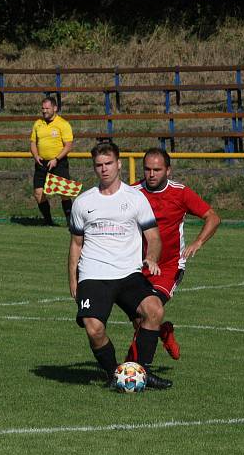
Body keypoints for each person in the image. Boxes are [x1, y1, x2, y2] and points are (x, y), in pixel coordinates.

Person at [68, 140, 172, 390]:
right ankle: (115, 375)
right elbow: (75, 245)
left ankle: (142, 373)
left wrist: (152, 258)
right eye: (99, 165)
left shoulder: (135, 199)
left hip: (128, 274)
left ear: (119, 164)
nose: (104, 169)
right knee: (94, 329)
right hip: (94, 274)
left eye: (109, 163)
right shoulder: (83, 202)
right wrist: (73, 280)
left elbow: (154, 237)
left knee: (154, 310)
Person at [126, 148, 221, 362]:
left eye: (157, 170)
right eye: (147, 169)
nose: (151, 174)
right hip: (135, 267)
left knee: (151, 311)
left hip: (168, 267)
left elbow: (213, 217)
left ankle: (133, 367)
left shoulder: (180, 193)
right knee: (141, 318)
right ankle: (164, 331)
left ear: (168, 170)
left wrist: (198, 242)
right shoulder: (131, 193)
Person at [30, 97, 74, 225]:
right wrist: (36, 155)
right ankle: (48, 222)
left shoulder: (63, 124)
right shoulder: (38, 123)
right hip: (41, 163)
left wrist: (56, 159)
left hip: (58, 163)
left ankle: (70, 223)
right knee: (38, 193)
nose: (44, 111)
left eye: (47, 108)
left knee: (64, 193)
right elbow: (33, 142)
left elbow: (68, 146)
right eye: (43, 108)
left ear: (55, 108)